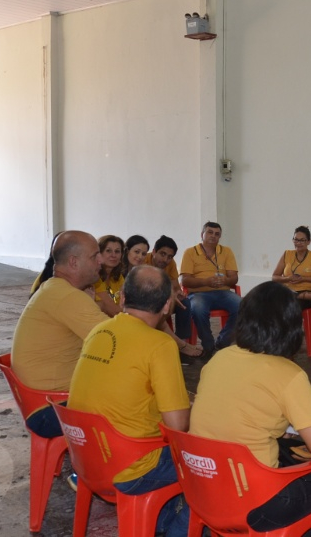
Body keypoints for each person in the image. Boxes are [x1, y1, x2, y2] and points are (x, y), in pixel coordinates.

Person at [189, 282, 311, 535]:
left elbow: (236, 414)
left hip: (202, 488)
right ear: (291, 327)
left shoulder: (219, 358)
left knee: (287, 449)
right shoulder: (289, 374)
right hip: (256, 501)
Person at [68, 265, 190, 537]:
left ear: (122, 297)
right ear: (168, 305)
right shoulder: (160, 344)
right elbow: (178, 425)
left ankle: (158, 518)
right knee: (208, 465)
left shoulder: (98, 332)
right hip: (130, 467)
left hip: (84, 459)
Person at [11, 230, 106, 437]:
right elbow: (117, 340)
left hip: (42, 400)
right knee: (139, 402)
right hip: (51, 408)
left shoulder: (54, 289)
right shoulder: (67, 297)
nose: (101, 260)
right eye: (94, 256)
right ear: (73, 262)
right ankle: (119, 467)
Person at [176, 221, 241, 355]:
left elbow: (234, 278)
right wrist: (206, 281)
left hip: (223, 292)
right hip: (199, 293)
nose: (213, 236)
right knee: (198, 309)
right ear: (202, 234)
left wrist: (226, 280)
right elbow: (185, 280)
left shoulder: (226, 251)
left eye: (217, 234)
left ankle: (223, 342)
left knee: (243, 306)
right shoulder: (190, 252)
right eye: (210, 232)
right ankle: (208, 345)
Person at [144, 234, 203, 360]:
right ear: (154, 252)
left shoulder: (170, 264)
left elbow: (176, 287)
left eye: (169, 257)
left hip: (164, 299)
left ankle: (182, 341)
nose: (165, 259)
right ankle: (176, 345)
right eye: (162, 254)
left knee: (185, 303)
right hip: (148, 302)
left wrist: (178, 293)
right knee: (159, 306)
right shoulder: (144, 261)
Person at [271, 225, 311, 309]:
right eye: (296, 240)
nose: (298, 243)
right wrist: (288, 278)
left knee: (289, 305)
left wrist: (303, 278)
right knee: (269, 302)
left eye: (302, 240)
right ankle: (301, 296)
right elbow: (274, 277)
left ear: (309, 241)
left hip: (307, 290)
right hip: (287, 290)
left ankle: (300, 296)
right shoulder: (287, 254)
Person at [93, 234, 126, 317]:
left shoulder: (118, 277)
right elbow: (113, 310)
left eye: (117, 251)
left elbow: (127, 304)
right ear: (99, 253)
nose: (113, 255)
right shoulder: (94, 277)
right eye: (108, 251)